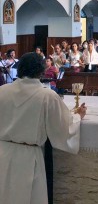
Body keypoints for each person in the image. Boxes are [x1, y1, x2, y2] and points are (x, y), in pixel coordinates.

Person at [0, 52, 86, 204]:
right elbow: (63, 128)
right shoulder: (47, 96)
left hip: (3, 154)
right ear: (41, 71)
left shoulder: (2, 91)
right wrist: (78, 116)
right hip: (28, 157)